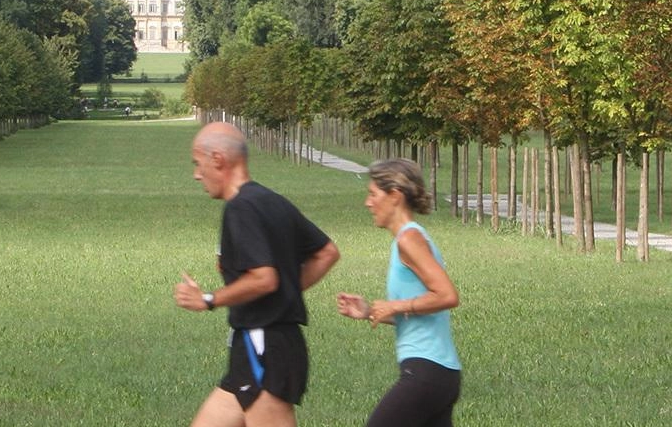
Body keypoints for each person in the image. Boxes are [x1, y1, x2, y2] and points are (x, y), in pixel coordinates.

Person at [175, 121, 340, 427]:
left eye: (198, 164)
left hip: (264, 344)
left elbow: (264, 278)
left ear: (218, 160)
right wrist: (286, 294)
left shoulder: (242, 208)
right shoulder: (271, 201)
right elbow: (327, 252)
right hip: (257, 344)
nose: (196, 174)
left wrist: (209, 299)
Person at [337, 158, 461, 427]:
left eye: (372, 194)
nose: (367, 203)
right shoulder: (408, 239)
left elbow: (447, 296)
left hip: (426, 371)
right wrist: (372, 311)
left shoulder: (409, 239)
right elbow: (423, 309)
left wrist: (394, 306)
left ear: (394, 196)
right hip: (439, 373)